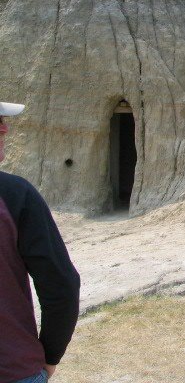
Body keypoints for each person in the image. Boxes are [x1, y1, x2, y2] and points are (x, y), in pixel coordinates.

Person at [0, 101, 80, 383]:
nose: (5, 129)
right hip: (11, 367)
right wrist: (50, 356)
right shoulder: (14, 195)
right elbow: (61, 286)